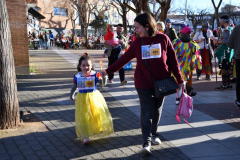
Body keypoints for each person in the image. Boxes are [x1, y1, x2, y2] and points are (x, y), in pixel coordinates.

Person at [102, 12, 184, 155]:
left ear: (147, 26)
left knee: (157, 111)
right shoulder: (138, 42)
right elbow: (124, 59)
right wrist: (107, 71)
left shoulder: (163, 39)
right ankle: (146, 143)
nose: (136, 31)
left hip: (162, 82)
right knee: (146, 112)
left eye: (137, 27)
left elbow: (173, 61)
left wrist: (180, 80)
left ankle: (154, 134)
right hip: (142, 83)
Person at [70, 53, 114, 144]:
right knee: (84, 116)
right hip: (82, 98)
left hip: (94, 97)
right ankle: (86, 136)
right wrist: (71, 94)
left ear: (92, 66)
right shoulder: (78, 76)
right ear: (80, 66)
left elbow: (102, 84)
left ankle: (95, 129)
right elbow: (74, 86)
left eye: (88, 65)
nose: (86, 67)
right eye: (83, 65)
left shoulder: (95, 74)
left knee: (96, 113)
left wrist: (104, 77)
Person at [172, 25, 201, 104]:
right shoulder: (176, 43)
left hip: (188, 67)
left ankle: (186, 94)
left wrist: (195, 65)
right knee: (179, 81)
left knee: (185, 81)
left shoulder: (193, 44)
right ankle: (179, 97)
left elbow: (196, 56)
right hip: (178, 66)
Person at [214, 15, 234, 90]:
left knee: (223, 68)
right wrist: (220, 33)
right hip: (229, 51)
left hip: (224, 52)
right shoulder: (230, 28)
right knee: (227, 68)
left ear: (222, 21)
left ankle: (224, 85)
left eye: (220, 22)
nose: (220, 23)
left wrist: (216, 41)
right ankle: (228, 84)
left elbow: (225, 41)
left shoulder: (227, 30)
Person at [227, 24, 240, 108]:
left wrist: (236, 47)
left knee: (239, 79)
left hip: (239, 56)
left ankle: (239, 101)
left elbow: (229, 43)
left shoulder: (237, 28)